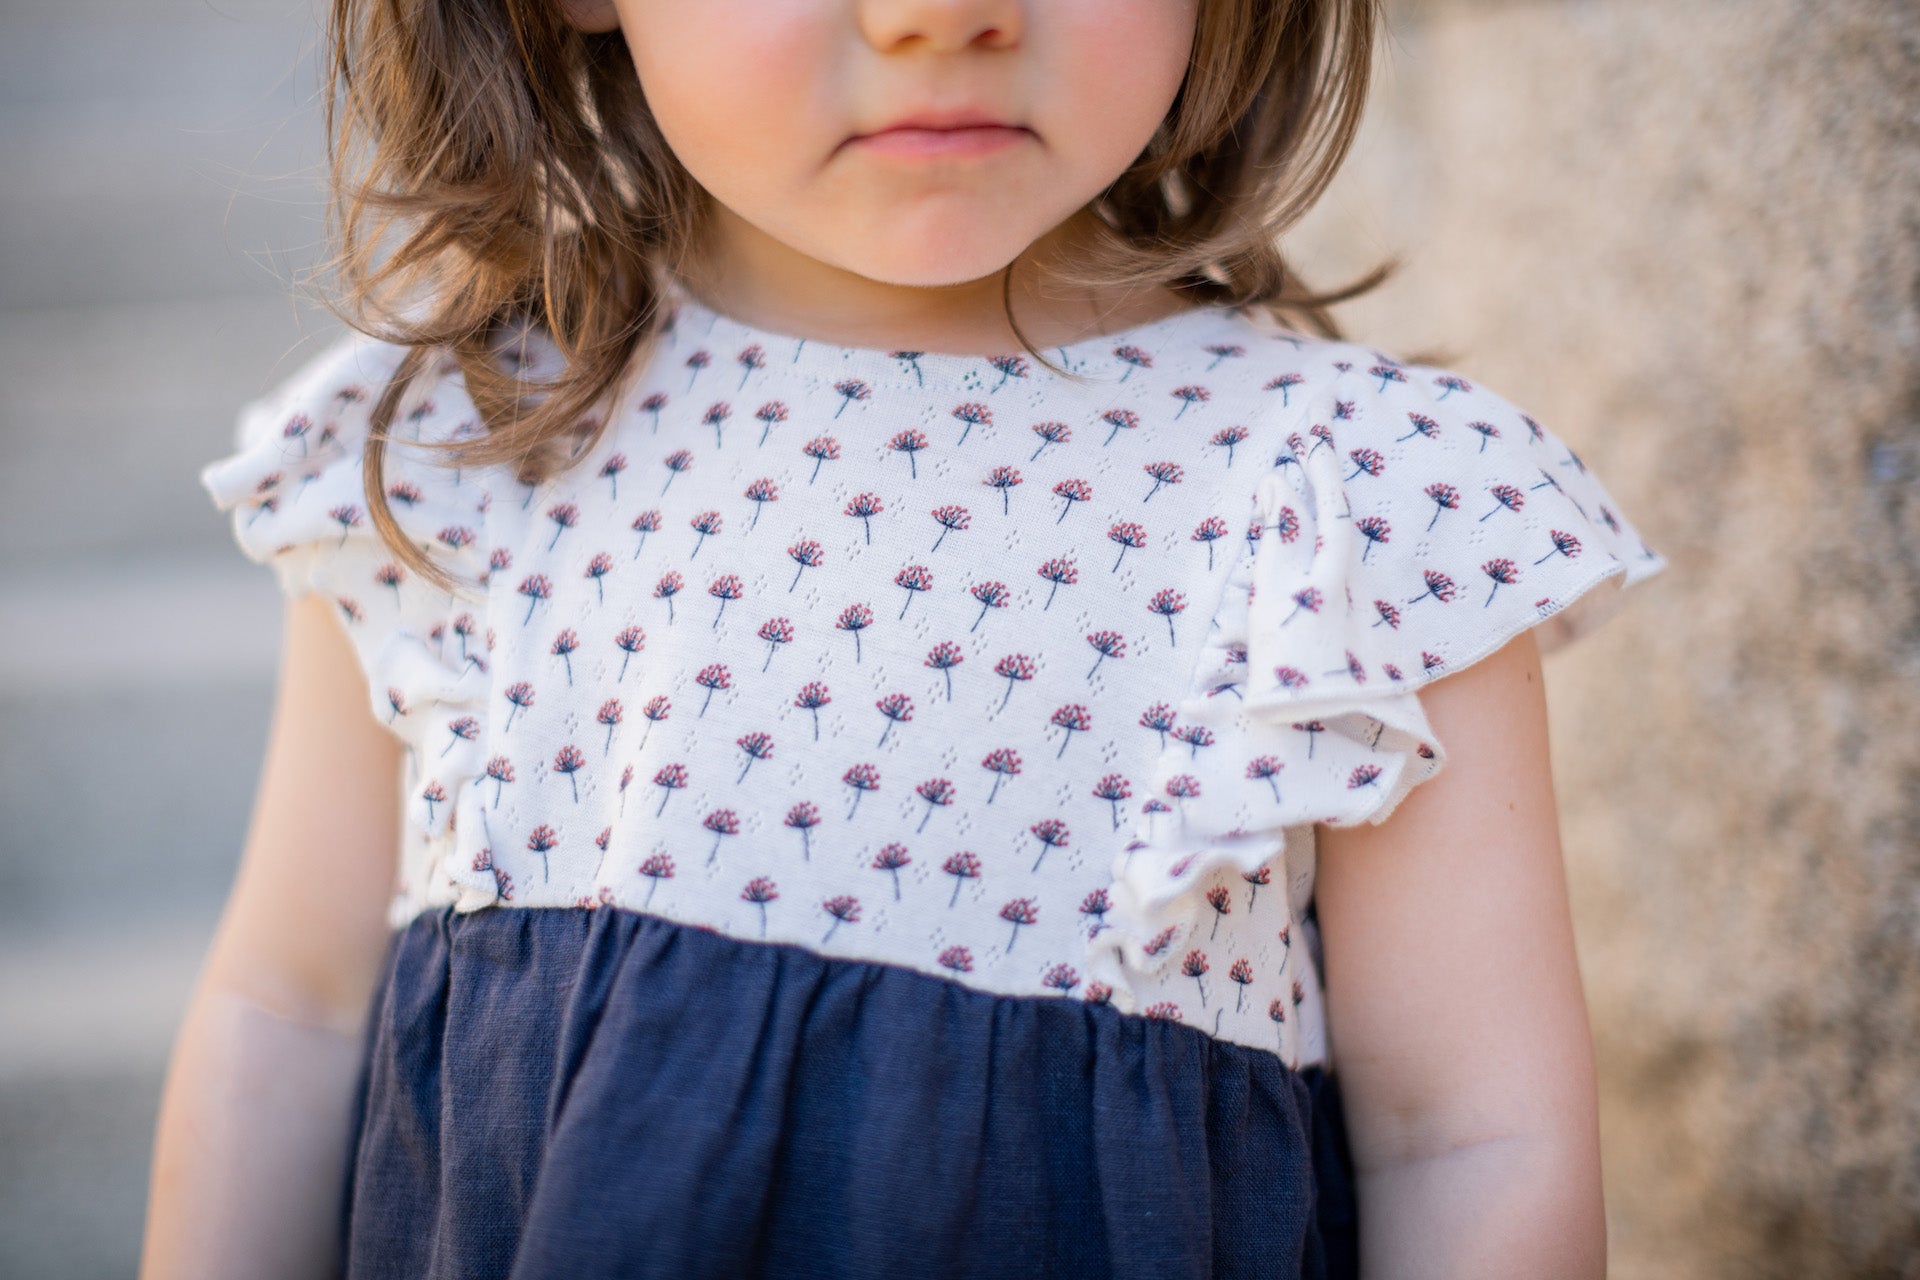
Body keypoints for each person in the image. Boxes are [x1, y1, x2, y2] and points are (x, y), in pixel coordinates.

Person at [142, 0, 1669, 1276]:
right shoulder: (466, 444)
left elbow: (1468, 1138)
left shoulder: (1356, 500)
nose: (942, 15)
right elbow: (291, 1013)